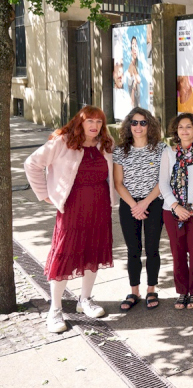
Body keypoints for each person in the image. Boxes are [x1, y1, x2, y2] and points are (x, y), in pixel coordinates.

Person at [23, 106, 116, 333]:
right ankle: (54, 309)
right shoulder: (63, 141)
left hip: (99, 204)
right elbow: (32, 164)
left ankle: (85, 300)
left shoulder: (105, 143)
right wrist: (44, 193)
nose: (94, 126)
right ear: (80, 122)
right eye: (89, 121)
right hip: (73, 206)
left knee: (94, 251)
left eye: (99, 122)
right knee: (65, 253)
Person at [113, 108, 166, 311]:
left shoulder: (160, 149)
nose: (138, 127)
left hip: (154, 202)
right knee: (133, 249)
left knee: (152, 248)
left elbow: (164, 180)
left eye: (143, 123)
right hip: (129, 204)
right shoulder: (120, 150)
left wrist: (145, 203)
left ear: (149, 125)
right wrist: (135, 205)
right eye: (134, 123)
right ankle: (134, 291)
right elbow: (118, 183)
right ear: (128, 126)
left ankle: (151, 288)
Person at [160, 113, 193, 310]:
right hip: (172, 211)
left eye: (189, 126)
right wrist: (176, 206)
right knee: (178, 251)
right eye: (181, 127)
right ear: (176, 131)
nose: (185, 130)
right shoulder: (168, 153)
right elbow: (163, 183)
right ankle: (182, 291)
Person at [126, 35, 142, 107]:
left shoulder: (138, 65)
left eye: (136, 45)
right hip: (134, 105)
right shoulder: (131, 66)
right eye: (133, 45)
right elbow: (138, 79)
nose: (134, 48)